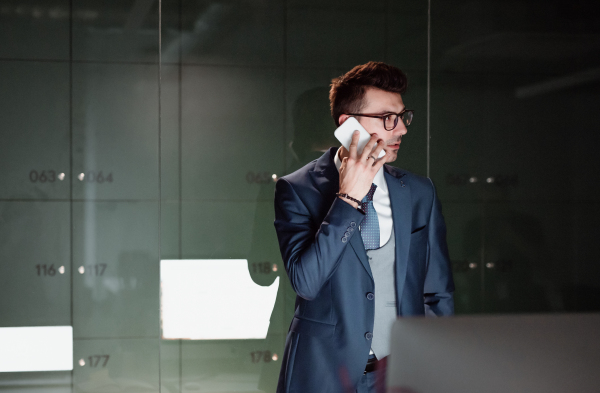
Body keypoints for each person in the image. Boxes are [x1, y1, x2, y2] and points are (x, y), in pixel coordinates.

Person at [273, 61, 455, 393]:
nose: (401, 129)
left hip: (401, 375)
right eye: (389, 119)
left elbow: (437, 292)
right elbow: (306, 282)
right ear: (348, 124)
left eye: (403, 117)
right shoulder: (298, 189)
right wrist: (348, 199)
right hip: (323, 373)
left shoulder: (418, 192)